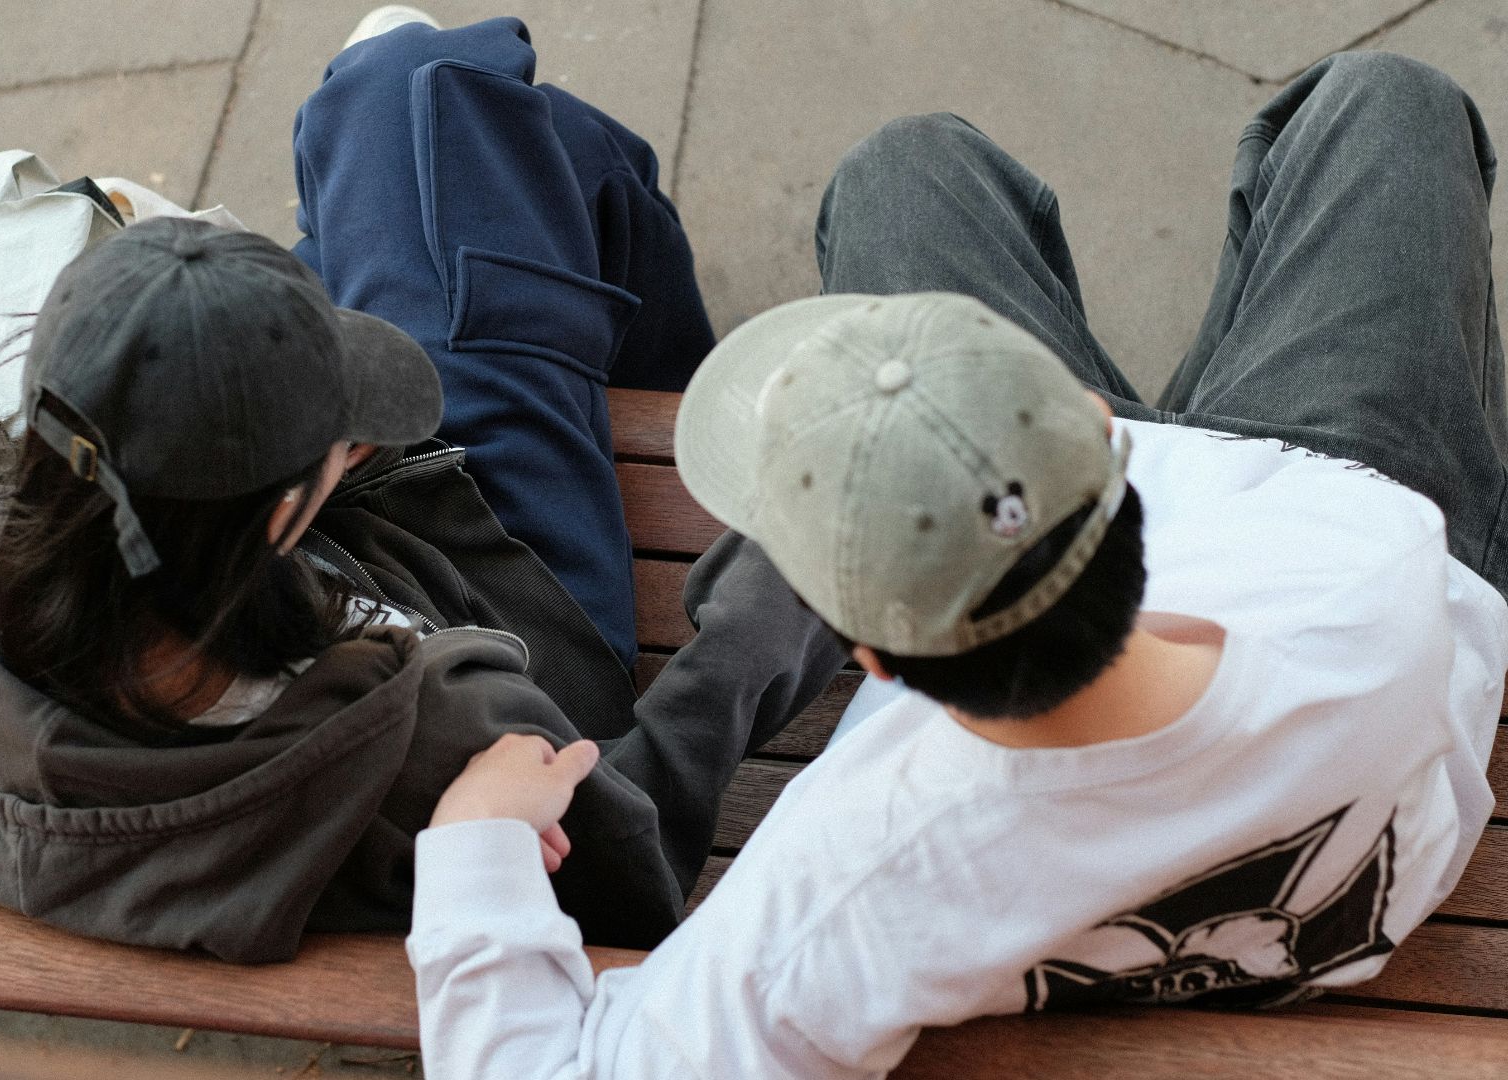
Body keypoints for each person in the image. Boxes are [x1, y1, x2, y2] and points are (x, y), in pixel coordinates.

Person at [407, 51, 1507, 1077]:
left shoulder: (857, 870)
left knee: (904, 169)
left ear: (870, 656)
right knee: (1386, 100)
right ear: (1102, 434)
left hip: (1195, 527)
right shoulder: (1375, 573)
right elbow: (1361, 545)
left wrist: (477, 843)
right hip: (1309, 504)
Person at [0, 11, 836, 963]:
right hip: (520, 610)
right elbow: (636, 870)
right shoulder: (435, 727)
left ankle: (523, 215)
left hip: (326, 602)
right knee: (431, 93)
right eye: (343, 439)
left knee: (434, 116)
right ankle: (667, 367)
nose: (359, 440)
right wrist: (774, 602)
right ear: (281, 512)